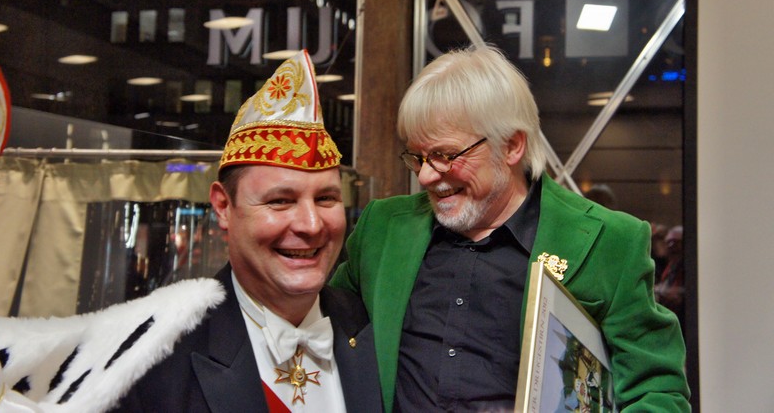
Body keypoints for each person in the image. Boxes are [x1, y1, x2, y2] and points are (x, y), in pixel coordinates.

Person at [331, 45, 690, 411]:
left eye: (445, 156)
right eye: (418, 157)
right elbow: (321, 329)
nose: (424, 176)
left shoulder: (609, 242)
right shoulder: (382, 230)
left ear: (512, 146)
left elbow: (658, 392)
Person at [116, 50, 382, 412]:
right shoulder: (145, 360)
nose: (311, 225)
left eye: (326, 198)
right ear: (223, 207)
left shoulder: (374, 326)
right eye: (280, 201)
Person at [655, 225, 685, 322]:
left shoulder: (689, 265)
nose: (671, 246)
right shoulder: (671, 265)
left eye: (676, 242)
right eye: (669, 242)